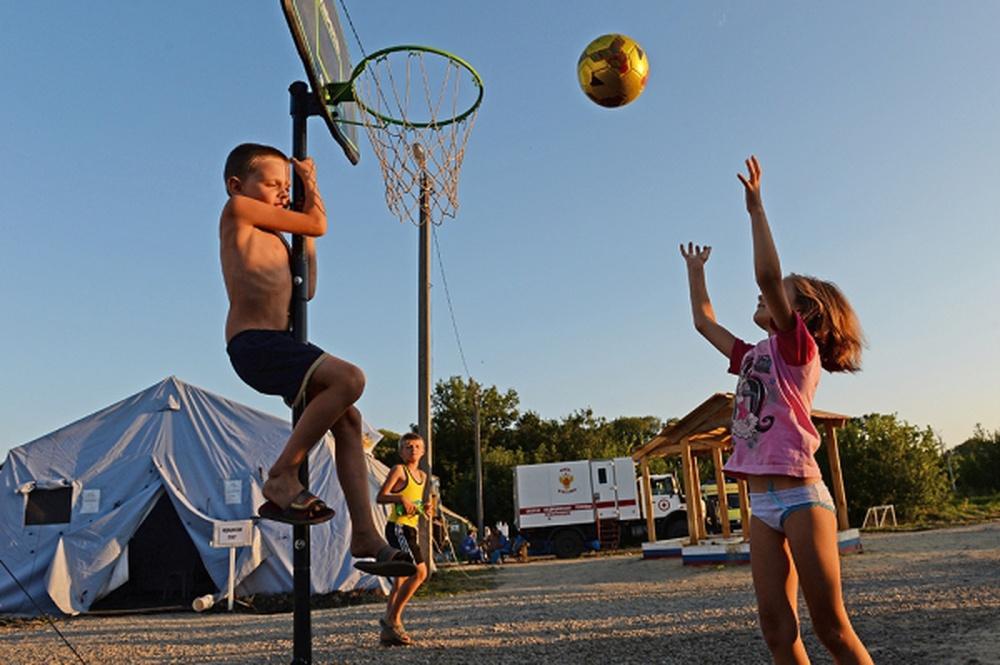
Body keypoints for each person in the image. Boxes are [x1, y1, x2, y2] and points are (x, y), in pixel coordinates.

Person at [680, 156, 872, 665]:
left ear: (801, 312)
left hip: (802, 499)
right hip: (761, 505)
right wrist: (696, 274)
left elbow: (768, 275)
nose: (763, 297)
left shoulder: (795, 348)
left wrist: (755, 208)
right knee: (775, 629)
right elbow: (704, 323)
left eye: (778, 297)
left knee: (830, 627)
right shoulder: (753, 356)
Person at [219, 143, 415, 578]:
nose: (282, 192)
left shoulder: (274, 239)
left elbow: (305, 287)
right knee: (350, 378)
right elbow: (319, 223)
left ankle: (364, 534)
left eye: (286, 186)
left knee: (349, 419)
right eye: (273, 184)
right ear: (238, 185)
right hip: (255, 343)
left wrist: (303, 225)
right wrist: (311, 183)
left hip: (280, 344)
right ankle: (283, 475)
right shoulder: (238, 212)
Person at [375, 432, 434, 646]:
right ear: (401, 451)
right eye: (408, 446)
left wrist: (422, 508)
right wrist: (399, 496)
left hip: (410, 528)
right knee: (419, 572)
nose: (413, 450)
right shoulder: (398, 470)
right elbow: (381, 496)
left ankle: (387, 634)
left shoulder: (422, 476)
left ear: (424, 451)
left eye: (417, 446)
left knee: (400, 579)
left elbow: (411, 504)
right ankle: (393, 619)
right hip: (397, 527)